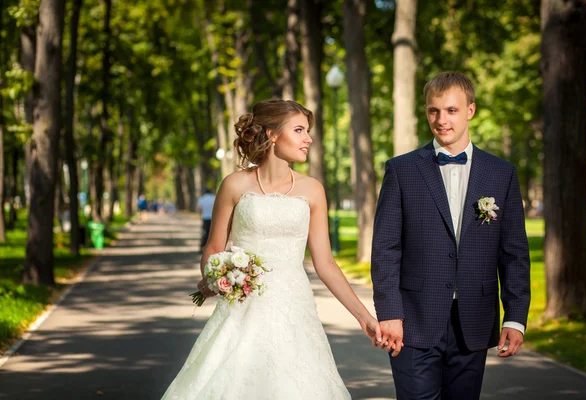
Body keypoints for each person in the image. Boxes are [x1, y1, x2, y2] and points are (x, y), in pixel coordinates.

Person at [161, 99, 381, 400]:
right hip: (242, 310)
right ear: (272, 134)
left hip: (295, 310)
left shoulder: (313, 189)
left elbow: (326, 263)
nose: (309, 139)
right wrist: (219, 277)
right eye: (300, 130)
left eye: (308, 131)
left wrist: (364, 316)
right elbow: (213, 248)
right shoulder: (235, 185)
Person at [371, 72, 531, 400]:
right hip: (412, 320)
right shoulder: (401, 170)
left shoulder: (502, 173)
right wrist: (389, 312)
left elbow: (514, 251)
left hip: (474, 320)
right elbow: (386, 247)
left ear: (470, 111)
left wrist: (515, 317)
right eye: (434, 111)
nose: (441, 120)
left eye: (451, 110)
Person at [197, 187, 216, 253]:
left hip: (205, 217)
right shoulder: (214, 198)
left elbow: (199, 209)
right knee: (211, 233)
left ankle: (202, 247)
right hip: (212, 218)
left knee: (204, 233)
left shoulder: (202, 198)